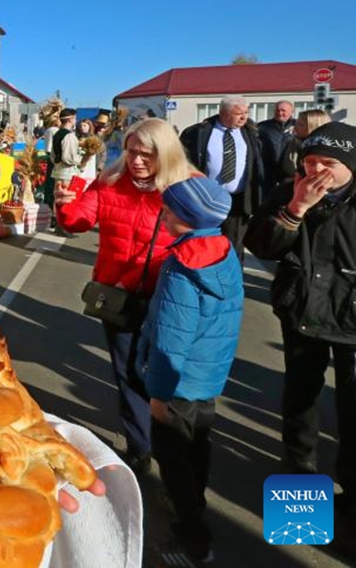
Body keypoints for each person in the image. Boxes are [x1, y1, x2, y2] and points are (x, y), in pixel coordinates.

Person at [54, 119, 194, 472]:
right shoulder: (110, 182)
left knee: (168, 378)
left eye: (147, 154)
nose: (137, 160)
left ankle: (175, 452)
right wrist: (65, 205)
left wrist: (137, 275)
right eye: (132, 151)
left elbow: (195, 244)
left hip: (169, 298)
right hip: (119, 300)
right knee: (128, 372)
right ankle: (140, 447)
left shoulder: (189, 187)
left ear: (167, 153)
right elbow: (79, 221)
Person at [246, 122, 356, 530]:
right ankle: (301, 511)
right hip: (302, 316)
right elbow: (259, 245)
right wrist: (295, 209)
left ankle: (350, 504)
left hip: (351, 320)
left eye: (328, 164)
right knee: (301, 408)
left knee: (352, 413)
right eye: (309, 163)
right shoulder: (289, 191)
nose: (316, 173)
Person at [138, 176, 243, 565]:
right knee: (198, 445)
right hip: (207, 375)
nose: (162, 215)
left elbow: (171, 338)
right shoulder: (221, 250)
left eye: (168, 210)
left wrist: (159, 394)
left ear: (187, 218)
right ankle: (192, 499)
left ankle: (191, 538)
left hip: (178, 383)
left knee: (174, 456)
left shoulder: (182, 268)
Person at [178, 96, 263, 259]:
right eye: (239, 113)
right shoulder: (197, 132)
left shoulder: (251, 133)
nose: (244, 117)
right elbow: (182, 163)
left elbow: (256, 166)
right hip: (205, 199)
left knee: (233, 247)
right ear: (223, 113)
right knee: (203, 242)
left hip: (237, 201)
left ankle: (231, 280)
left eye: (246, 112)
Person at [278, 108, 330, 183]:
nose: (295, 127)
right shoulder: (294, 142)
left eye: (300, 125)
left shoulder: (321, 149)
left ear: (313, 126)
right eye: (296, 123)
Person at [258, 100, 296, 193]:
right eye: (277, 110)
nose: (280, 113)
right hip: (268, 172)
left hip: (291, 173)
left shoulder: (298, 126)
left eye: (283, 110)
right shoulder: (262, 127)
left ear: (291, 111)